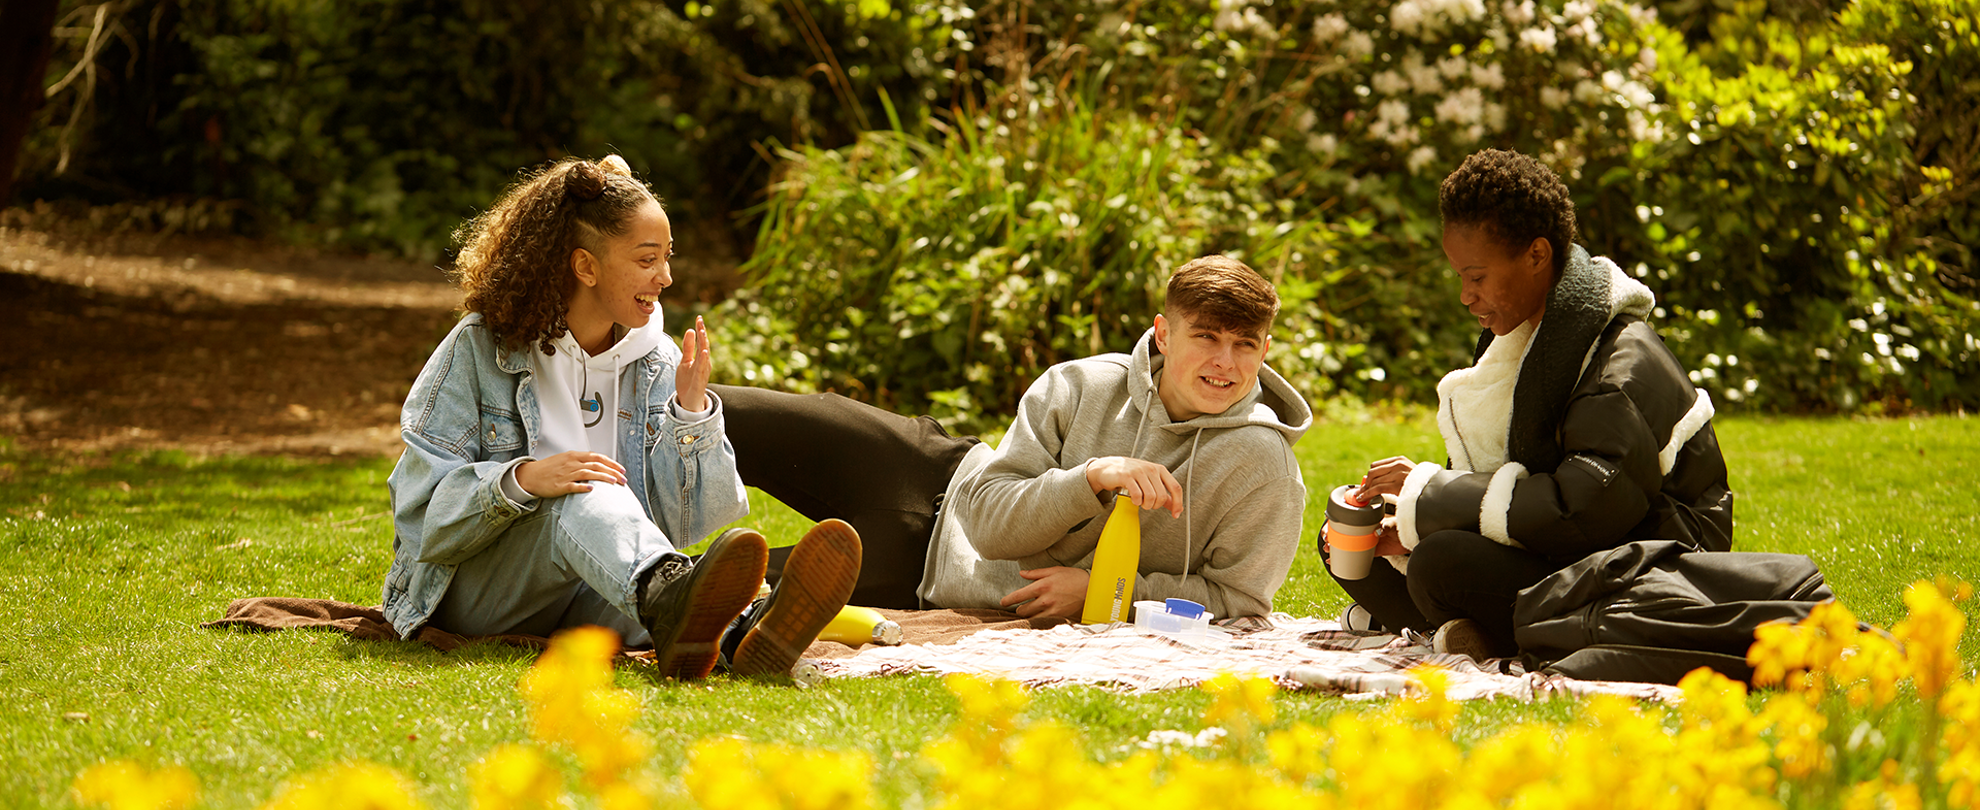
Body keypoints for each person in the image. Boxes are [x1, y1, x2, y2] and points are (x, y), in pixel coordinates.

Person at [380, 155, 860, 680]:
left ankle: (743, 637)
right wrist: (522, 481)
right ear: (585, 266)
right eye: (647, 259)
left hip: (589, 588)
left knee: (641, 580)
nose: (666, 277)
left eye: (667, 257)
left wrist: (691, 415)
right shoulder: (480, 348)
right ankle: (688, 603)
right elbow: (420, 518)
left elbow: (688, 522)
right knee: (586, 490)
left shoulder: (656, 361)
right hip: (477, 594)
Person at [712, 255, 1313, 624]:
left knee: (713, 590)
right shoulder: (1082, 384)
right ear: (1162, 335)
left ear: (1265, 348)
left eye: (1245, 344)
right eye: (1206, 337)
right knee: (723, 412)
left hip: (922, 573)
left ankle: (631, 569)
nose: (1225, 362)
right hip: (933, 469)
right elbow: (989, 518)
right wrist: (1092, 478)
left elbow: (1239, 599)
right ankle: (613, 433)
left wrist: (1105, 593)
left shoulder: (1263, 465)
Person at [1328, 148, 1733, 659]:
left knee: (1441, 562)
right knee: (1349, 543)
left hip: (1658, 569)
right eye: (1460, 277)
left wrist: (1430, 498)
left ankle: (1459, 628)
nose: (1465, 296)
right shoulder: (1530, 336)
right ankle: (1461, 628)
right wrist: (1408, 517)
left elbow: (1582, 512)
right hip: (1573, 552)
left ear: (1537, 256)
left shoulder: (1616, 367)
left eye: (1476, 277)